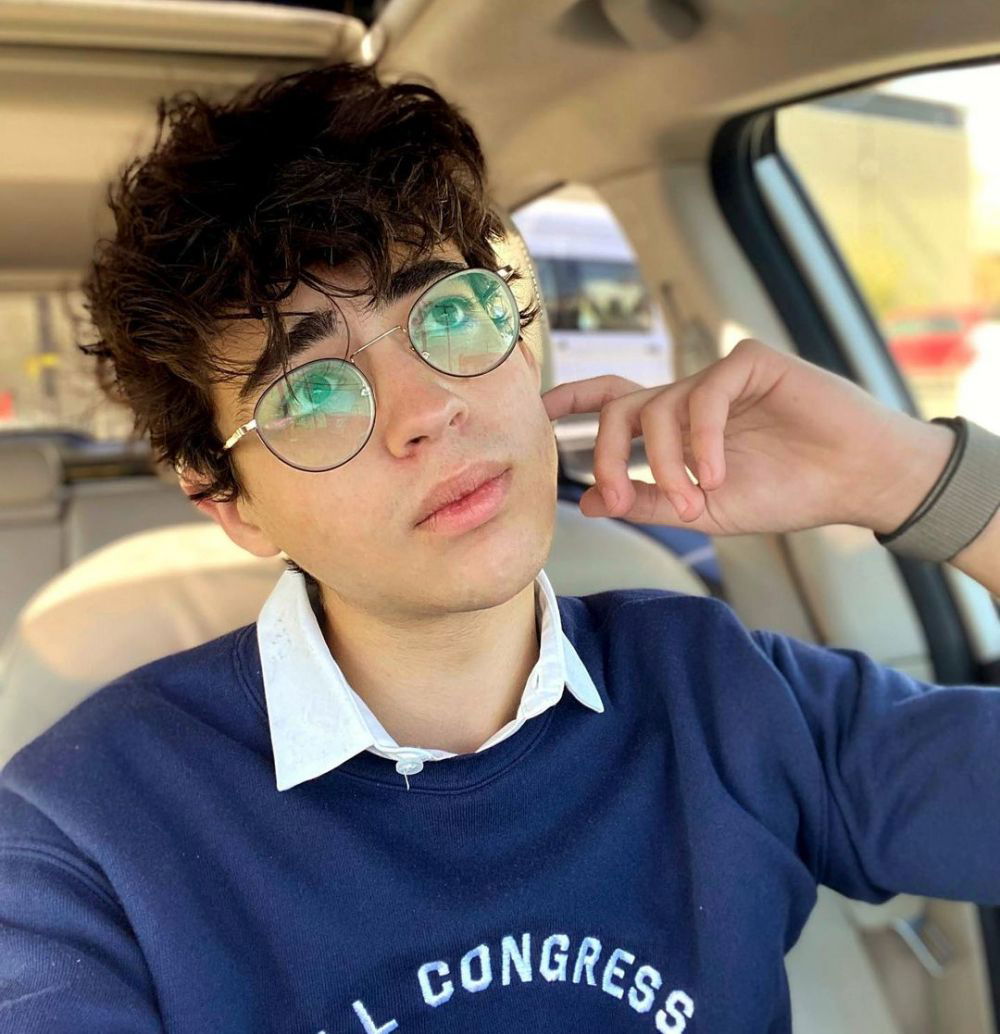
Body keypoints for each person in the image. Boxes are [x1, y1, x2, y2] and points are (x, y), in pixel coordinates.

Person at [1, 61, 998, 1034]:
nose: (428, 409)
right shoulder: (82, 840)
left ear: (522, 347)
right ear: (230, 503)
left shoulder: (722, 692)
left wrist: (907, 476)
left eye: (447, 314)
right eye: (311, 391)